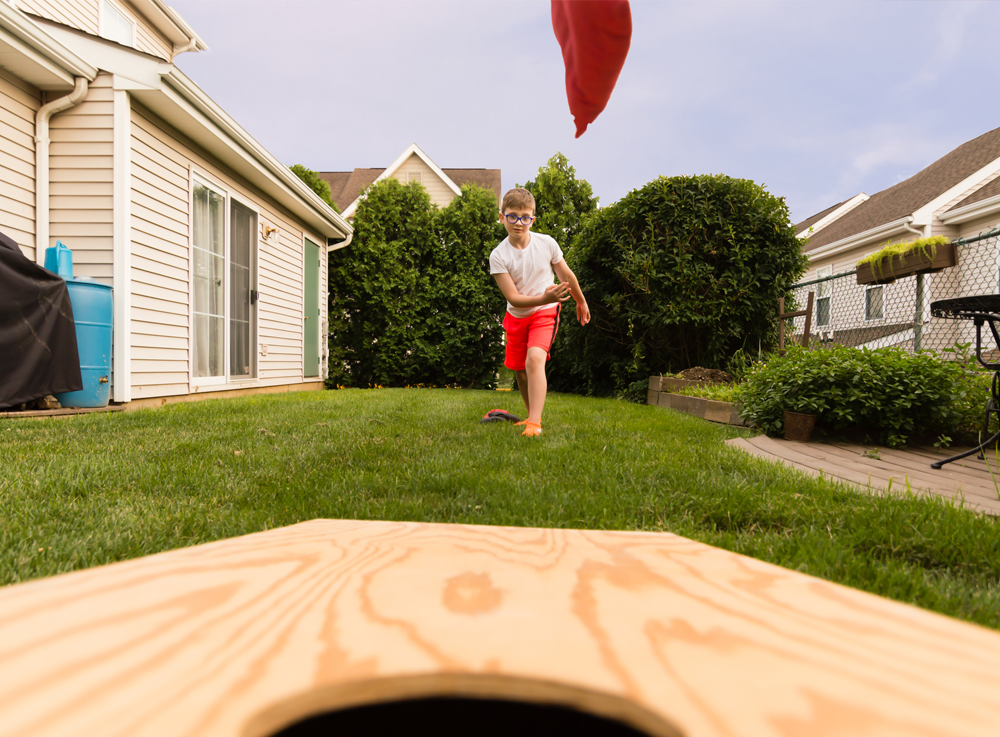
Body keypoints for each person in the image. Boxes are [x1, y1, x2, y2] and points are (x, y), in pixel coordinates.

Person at [489, 187, 590, 437]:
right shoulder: (498, 256)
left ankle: (535, 422)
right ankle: (530, 416)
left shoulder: (547, 243)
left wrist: (581, 301)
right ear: (501, 217)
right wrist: (544, 295)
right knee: (520, 372)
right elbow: (513, 298)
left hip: (545, 311)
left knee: (534, 359)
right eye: (512, 216)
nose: (519, 223)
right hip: (517, 316)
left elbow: (566, 275)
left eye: (525, 217)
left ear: (532, 218)